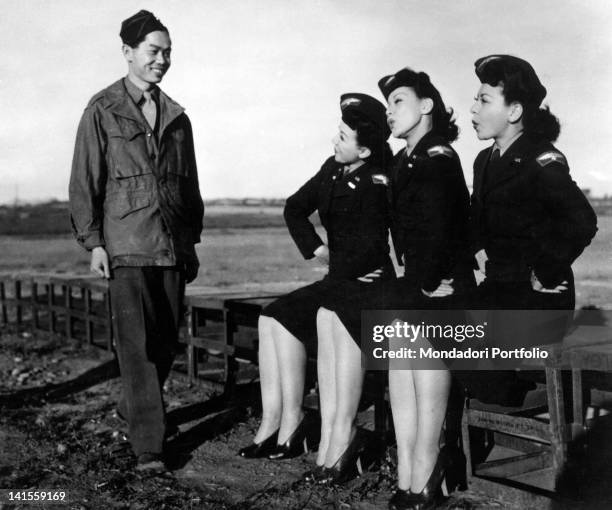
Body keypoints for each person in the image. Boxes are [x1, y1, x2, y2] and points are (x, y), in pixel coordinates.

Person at [69, 10, 204, 473]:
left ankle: (136, 410)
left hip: (170, 246)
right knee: (138, 348)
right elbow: (85, 180)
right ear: (128, 52)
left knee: (165, 343)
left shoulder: (177, 116)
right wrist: (94, 243)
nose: (162, 60)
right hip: (125, 244)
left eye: (167, 52)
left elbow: (190, 186)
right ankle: (150, 445)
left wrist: (191, 242)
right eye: (153, 51)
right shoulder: (102, 108)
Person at [238, 93, 394, 463]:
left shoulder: (378, 179)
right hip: (338, 277)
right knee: (271, 315)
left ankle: (294, 429)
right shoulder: (332, 169)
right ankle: (279, 421)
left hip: (366, 285)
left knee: (294, 317)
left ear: (366, 151)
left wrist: (339, 261)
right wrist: (317, 249)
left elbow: (372, 248)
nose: (334, 142)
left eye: (342, 137)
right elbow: (294, 208)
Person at [464, 55, 598, 405]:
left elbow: (581, 220)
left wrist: (547, 269)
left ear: (514, 111)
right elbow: (475, 222)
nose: (472, 108)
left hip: (538, 297)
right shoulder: (485, 160)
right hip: (498, 290)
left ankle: (533, 396)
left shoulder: (542, 159)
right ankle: (511, 395)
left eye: (483, 100)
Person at [369, 68, 472, 510]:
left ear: (426, 106)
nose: (390, 112)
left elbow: (442, 230)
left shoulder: (438, 158)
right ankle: (411, 464)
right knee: (398, 360)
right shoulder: (404, 160)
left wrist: (427, 282)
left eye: (399, 102)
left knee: (416, 345)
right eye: (389, 104)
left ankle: (428, 461)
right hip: (419, 284)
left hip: (442, 289)